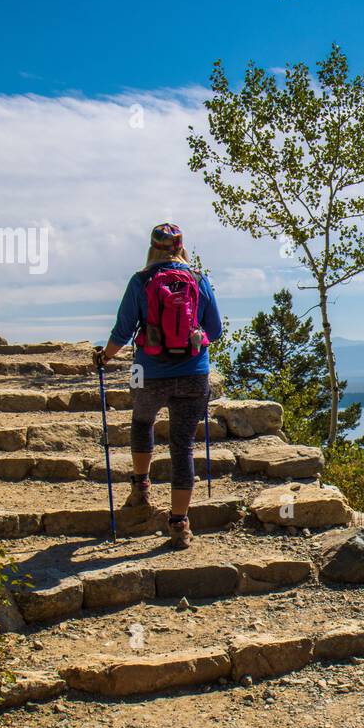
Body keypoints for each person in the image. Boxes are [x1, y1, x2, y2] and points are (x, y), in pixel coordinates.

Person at [92, 223, 223, 548]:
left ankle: (141, 487)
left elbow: (123, 330)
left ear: (152, 248)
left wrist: (105, 357)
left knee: (141, 421)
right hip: (194, 373)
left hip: (145, 371)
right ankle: (179, 524)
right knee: (182, 445)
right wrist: (197, 340)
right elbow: (216, 329)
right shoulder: (197, 279)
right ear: (181, 248)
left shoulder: (141, 281)